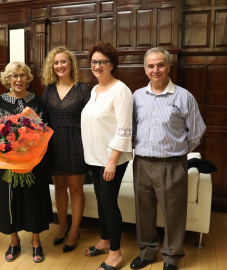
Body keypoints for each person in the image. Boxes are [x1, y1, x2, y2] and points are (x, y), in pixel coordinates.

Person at [129, 47, 206, 270]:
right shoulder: (137, 96)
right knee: (143, 212)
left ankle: (171, 257)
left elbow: (196, 132)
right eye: (151, 66)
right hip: (142, 163)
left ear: (169, 67)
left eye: (160, 65)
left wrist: (178, 151)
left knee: (173, 214)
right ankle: (147, 252)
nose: (156, 70)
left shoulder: (183, 96)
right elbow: (132, 128)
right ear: (145, 69)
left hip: (171, 164)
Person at [0, 61, 53, 263]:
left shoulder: (37, 100)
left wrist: (28, 147)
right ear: (7, 79)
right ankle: (14, 241)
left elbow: (43, 128)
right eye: (14, 76)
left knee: (33, 198)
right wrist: (10, 147)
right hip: (8, 160)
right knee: (10, 199)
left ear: (27, 78)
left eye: (22, 75)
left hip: (33, 160)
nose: (18, 79)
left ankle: (36, 242)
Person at [81, 41, 133, 270]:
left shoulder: (121, 90)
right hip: (94, 157)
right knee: (101, 201)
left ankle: (116, 253)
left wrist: (112, 162)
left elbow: (124, 129)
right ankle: (104, 240)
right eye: (94, 61)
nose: (97, 66)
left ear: (112, 64)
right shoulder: (95, 89)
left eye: (102, 61)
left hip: (111, 159)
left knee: (109, 203)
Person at [41, 46, 91, 252]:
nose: (60, 65)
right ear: (51, 66)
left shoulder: (83, 88)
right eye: (56, 62)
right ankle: (62, 227)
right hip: (53, 144)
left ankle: (74, 231)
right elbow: (42, 119)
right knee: (59, 188)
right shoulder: (48, 89)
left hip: (76, 142)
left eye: (63, 61)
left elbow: (91, 119)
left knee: (76, 189)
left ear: (71, 64)